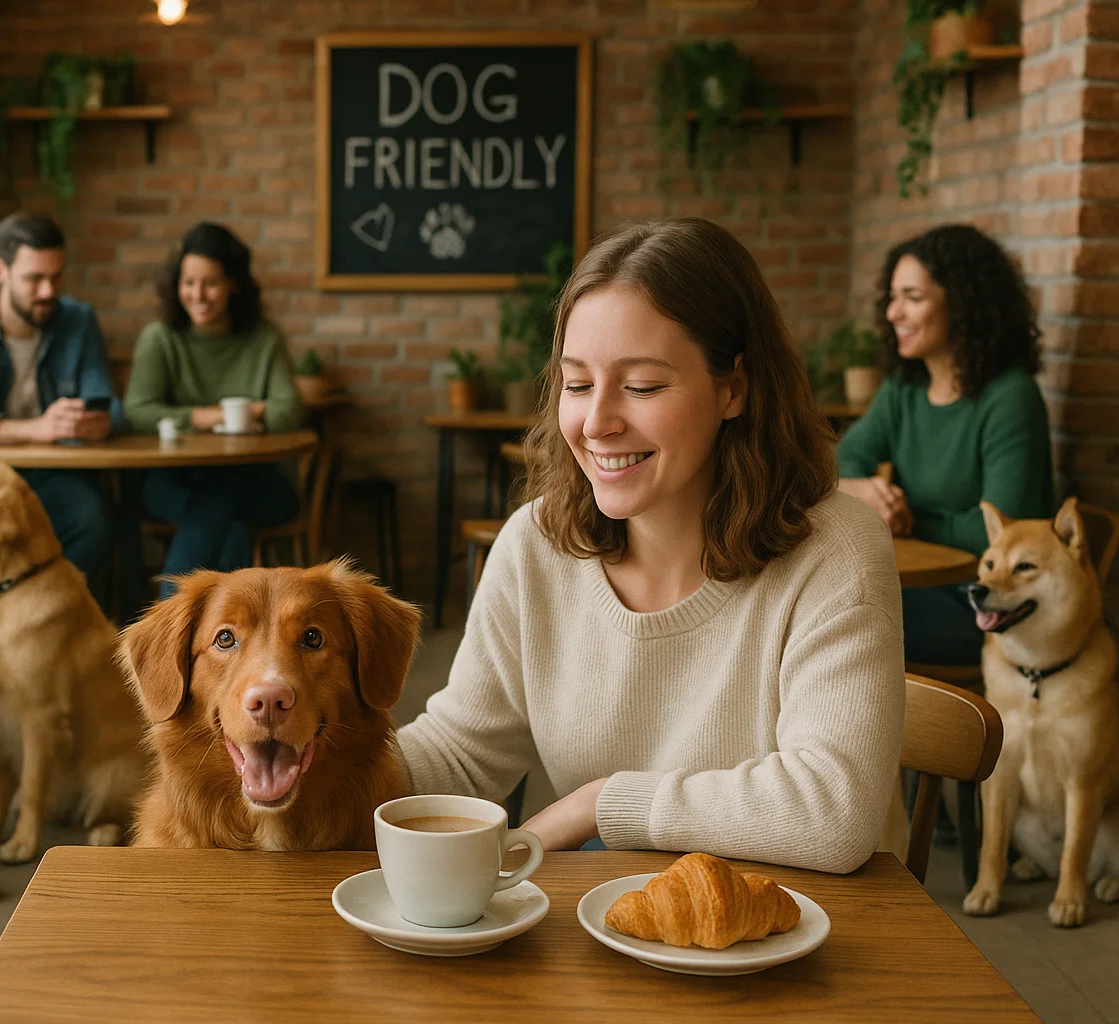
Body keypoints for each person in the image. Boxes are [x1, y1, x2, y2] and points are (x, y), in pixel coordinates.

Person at [397, 218, 905, 873]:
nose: (598, 422)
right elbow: (463, 753)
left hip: (827, 938)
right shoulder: (535, 545)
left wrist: (601, 805)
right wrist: (312, 762)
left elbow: (832, 816)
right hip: (621, 927)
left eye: (641, 386)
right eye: (577, 384)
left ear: (735, 388)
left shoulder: (836, 552)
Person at [837, 224, 1055, 667]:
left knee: (841, 615)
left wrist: (906, 517)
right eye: (892, 297)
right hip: (925, 587)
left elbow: (998, 530)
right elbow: (841, 459)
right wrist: (854, 488)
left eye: (913, 298)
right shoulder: (904, 389)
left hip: (990, 603)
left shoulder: (1010, 397)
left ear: (964, 305)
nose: (894, 312)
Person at [0, 212, 121, 591]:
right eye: (34, 279)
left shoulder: (77, 321)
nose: (48, 291)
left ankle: (62, 625)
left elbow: (111, 407)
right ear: (1, 271)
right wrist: (39, 428)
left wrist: (100, 420)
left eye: (56, 277)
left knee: (90, 516)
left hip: (53, 474)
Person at [125, 222, 304, 590]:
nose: (198, 295)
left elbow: (289, 410)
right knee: (228, 523)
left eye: (211, 283)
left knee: (220, 495)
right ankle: (228, 635)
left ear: (233, 284)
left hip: (256, 481)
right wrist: (211, 417)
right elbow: (138, 410)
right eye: (189, 283)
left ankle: (168, 616)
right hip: (174, 480)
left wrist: (243, 414)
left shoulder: (263, 338)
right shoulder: (160, 339)